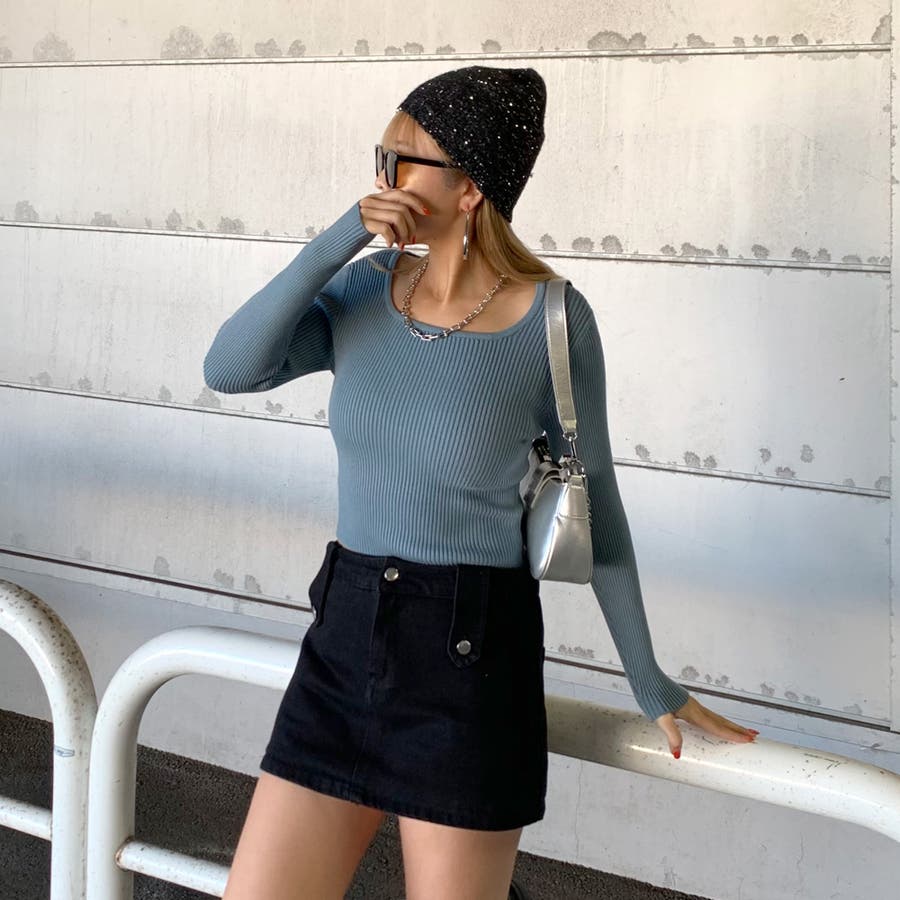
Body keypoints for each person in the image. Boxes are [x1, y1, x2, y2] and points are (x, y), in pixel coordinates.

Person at [203, 65, 758, 900]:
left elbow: (597, 500)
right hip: (345, 637)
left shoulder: (553, 321)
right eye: (380, 159)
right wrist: (334, 243)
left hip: (471, 658)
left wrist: (647, 676)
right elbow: (229, 369)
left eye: (402, 161)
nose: (382, 180)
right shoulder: (361, 291)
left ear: (469, 189)